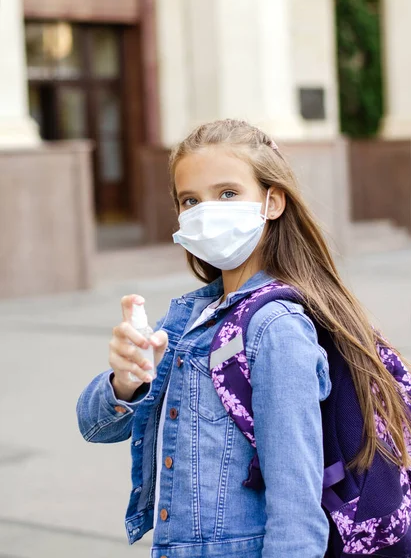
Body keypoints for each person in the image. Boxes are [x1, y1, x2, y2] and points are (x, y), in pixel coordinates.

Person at [77, 119, 411, 558]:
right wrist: (126, 380)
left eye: (228, 193)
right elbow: (97, 426)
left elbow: (296, 507)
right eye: (190, 200)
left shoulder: (275, 328)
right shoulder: (188, 318)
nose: (206, 211)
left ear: (272, 202)